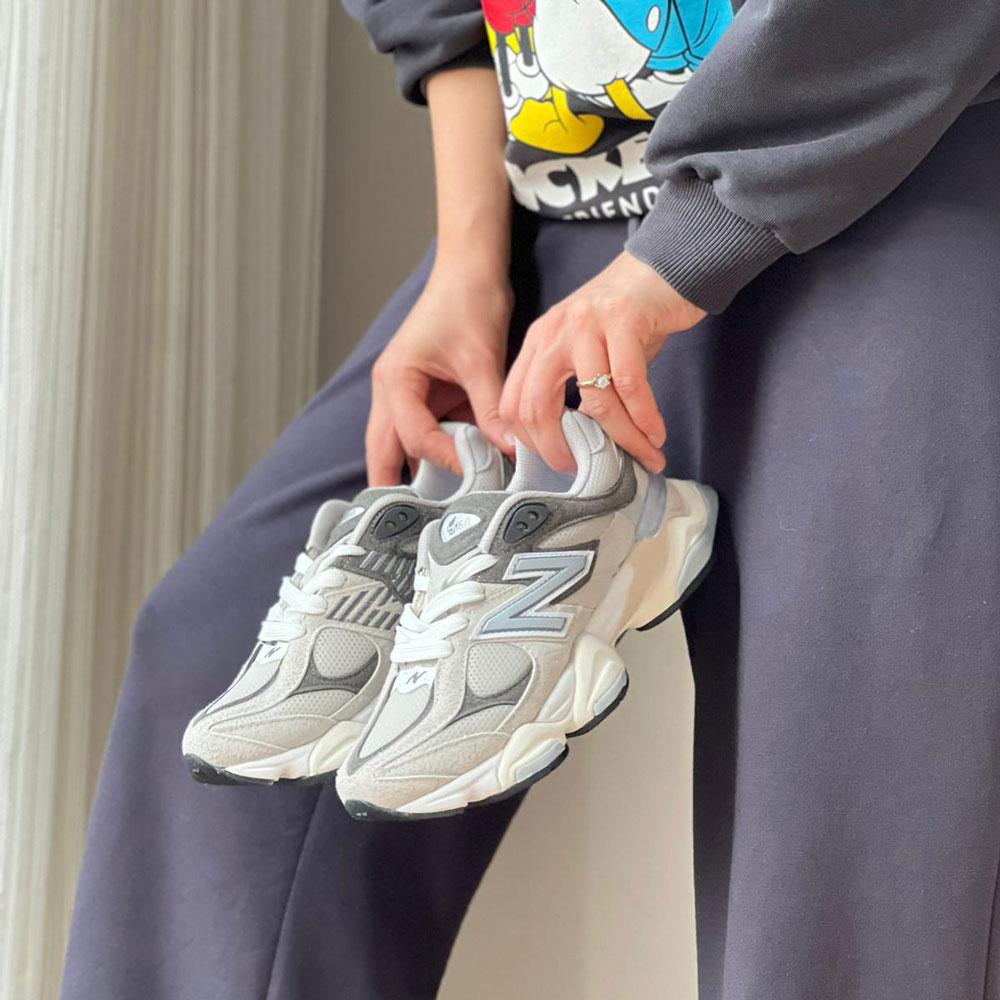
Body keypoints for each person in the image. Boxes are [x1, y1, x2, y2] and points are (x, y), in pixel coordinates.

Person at [62, 2, 1000, 998]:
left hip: (897, 163)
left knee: (842, 790)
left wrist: (682, 252)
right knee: (213, 657)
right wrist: (466, 260)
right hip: (559, 218)